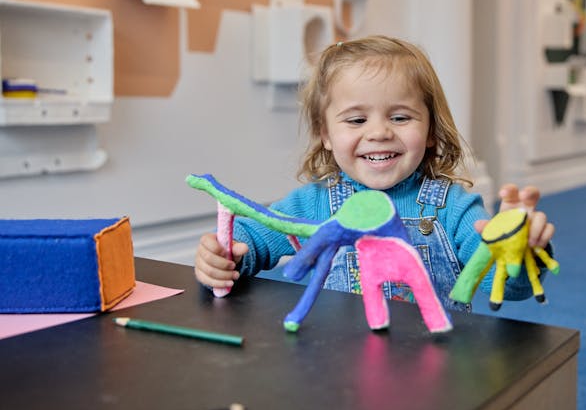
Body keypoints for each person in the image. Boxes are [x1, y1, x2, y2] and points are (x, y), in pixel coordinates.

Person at [195, 35, 555, 311]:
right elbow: (252, 236)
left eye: (400, 117)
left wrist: (515, 246)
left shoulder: (453, 208)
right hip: (335, 365)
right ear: (326, 135)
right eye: (356, 120)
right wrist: (223, 255)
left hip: (435, 372)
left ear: (431, 131)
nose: (379, 132)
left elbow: (509, 287)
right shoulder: (314, 203)